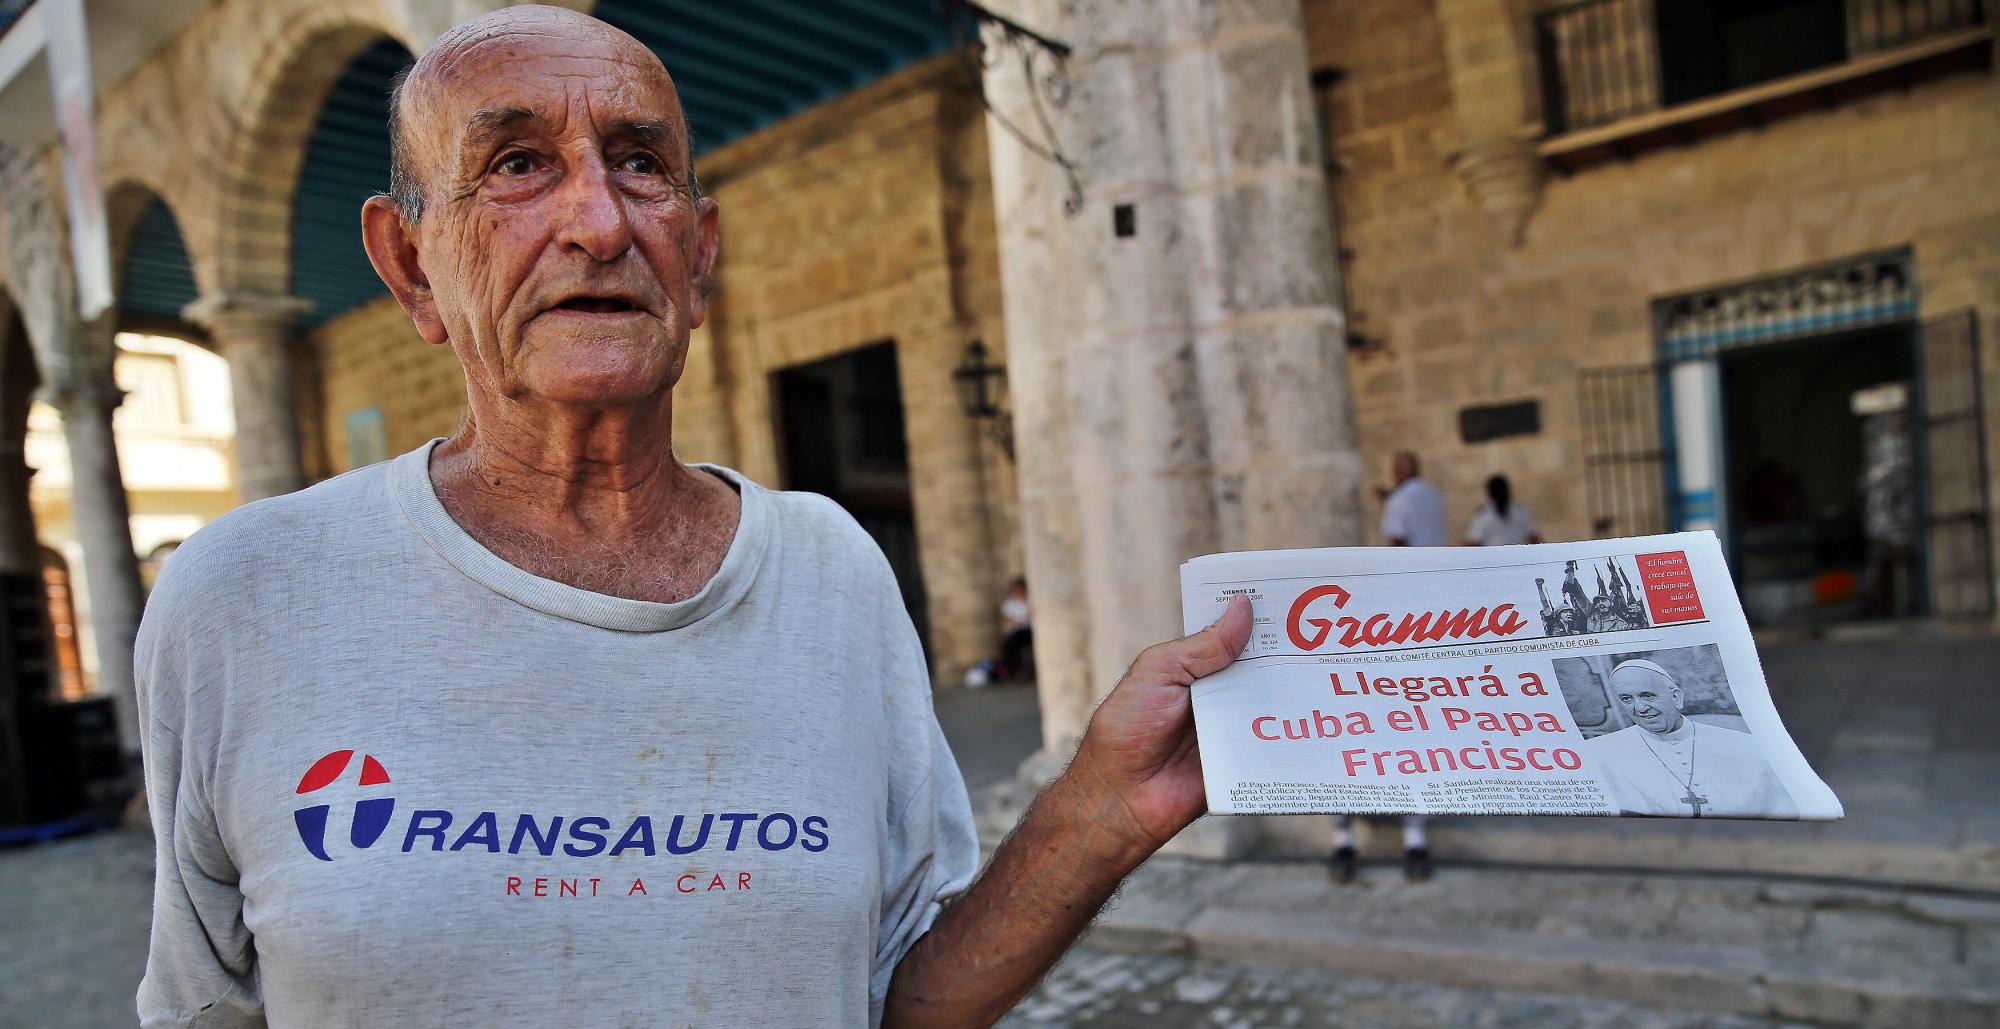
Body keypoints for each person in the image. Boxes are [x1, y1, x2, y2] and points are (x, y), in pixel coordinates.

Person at [133, 8, 1256, 1026]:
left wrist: (1101, 810)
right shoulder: (248, 596)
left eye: (639, 164)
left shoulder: (830, 573)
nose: (597, 219)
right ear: (410, 266)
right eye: (517, 164)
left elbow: (902, 1001)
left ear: (699, 253)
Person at [1331, 451, 1446, 881]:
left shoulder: (1399, 505)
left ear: (1398, 472)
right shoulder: (1434, 496)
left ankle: (1345, 839)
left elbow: (1397, 545)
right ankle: (1414, 839)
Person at [1581, 660, 1798, 818]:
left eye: (1647, 695)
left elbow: (1781, 808)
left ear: (1676, 697)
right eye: (1627, 699)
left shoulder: (1743, 744)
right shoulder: (1600, 754)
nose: (1640, 708)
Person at [1379, 450, 1447, 547]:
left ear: (1399, 471)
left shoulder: (1399, 498)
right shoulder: (1434, 492)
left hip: (1414, 560)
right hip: (1439, 557)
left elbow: (1398, 539)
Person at [1464, 475, 1540, 546]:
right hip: (1516, 557)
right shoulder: (1521, 511)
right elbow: (1534, 538)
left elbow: (1473, 541)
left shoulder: (1484, 515)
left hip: (1496, 558)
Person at [997, 576, 1033, 682]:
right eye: (1017, 589)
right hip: (1016, 631)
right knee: (1008, 643)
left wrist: (1019, 620)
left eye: (1021, 589)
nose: (1019, 592)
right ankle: (1016, 671)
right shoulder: (1010, 603)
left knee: (1013, 640)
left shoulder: (1030, 600)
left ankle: (1018, 671)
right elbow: (1008, 620)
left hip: (1029, 630)